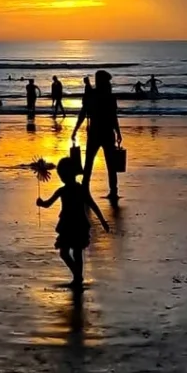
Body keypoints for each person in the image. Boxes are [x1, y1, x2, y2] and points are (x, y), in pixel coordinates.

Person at [36, 156, 109, 289]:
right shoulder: (78, 189)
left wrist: (41, 203)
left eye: (62, 175)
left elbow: (48, 204)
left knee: (68, 252)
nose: (62, 177)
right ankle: (77, 275)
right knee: (75, 252)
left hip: (69, 224)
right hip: (77, 223)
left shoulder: (64, 190)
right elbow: (93, 205)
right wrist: (102, 221)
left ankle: (77, 277)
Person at [71, 69, 122, 201]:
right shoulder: (109, 97)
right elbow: (113, 117)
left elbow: (83, 113)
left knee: (89, 163)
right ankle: (113, 191)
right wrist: (118, 132)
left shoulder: (92, 95)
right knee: (110, 164)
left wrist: (75, 129)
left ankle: (85, 188)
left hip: (95, 133)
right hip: (106, 133)